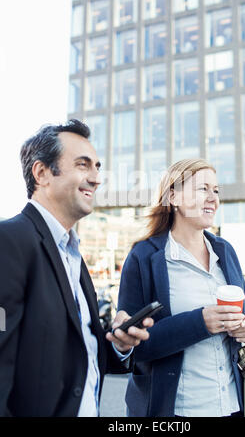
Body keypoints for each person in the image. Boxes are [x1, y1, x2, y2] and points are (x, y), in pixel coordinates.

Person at [0, 119, 153, 417]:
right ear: (42, 173)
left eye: (97, 167)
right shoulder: (9, 242)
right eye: (83, 165)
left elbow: (79, 357)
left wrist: (120, 345)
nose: (96, 178)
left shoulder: (74, 257)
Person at [117, 158, 245, 417]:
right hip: (176, 412)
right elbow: (135, 346)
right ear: (173, 197)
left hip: (233, 407)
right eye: (203, 189)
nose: (213, 198)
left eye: (216, 190)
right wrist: (201, 323)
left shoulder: (225, 251)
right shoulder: (144, 256)